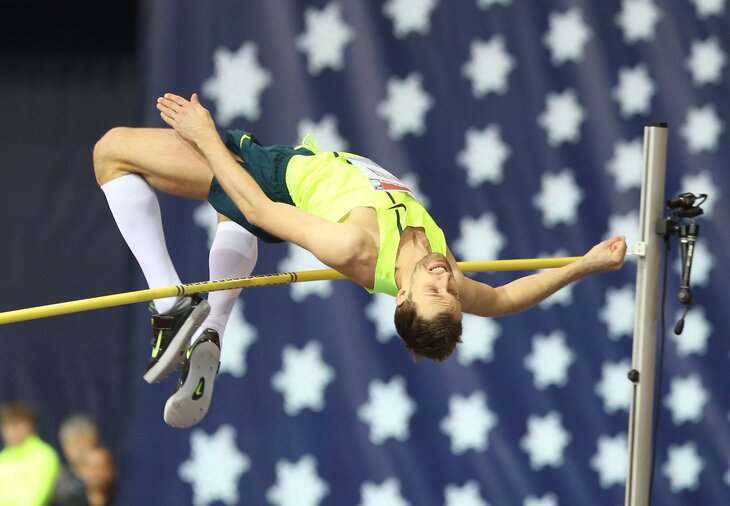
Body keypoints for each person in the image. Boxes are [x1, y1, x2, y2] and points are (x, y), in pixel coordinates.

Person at [92, 92, 627, 429]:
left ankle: (170, 303)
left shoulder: (355, 248)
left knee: (112, 152)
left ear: (402, 297)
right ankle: (213, 328)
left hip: (270, 179)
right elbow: (507, 298)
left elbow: (259, 206)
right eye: (452, 294)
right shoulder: (442, 270)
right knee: (231, 219)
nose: (446, 280)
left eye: (435, 291)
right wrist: (583, 266)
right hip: (294, 166)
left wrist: (206, 137)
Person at [0, 401, 61, 505]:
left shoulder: (44, 455)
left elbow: (37, 498)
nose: (10, 430)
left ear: (30, 426)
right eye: (6, 426)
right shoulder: (2, 458)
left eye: (15, 425)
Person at [53, 414, 101, 505]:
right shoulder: (58, 479)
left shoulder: (103, 472)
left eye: (82, 443)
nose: (78, 450)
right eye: (73, 444)